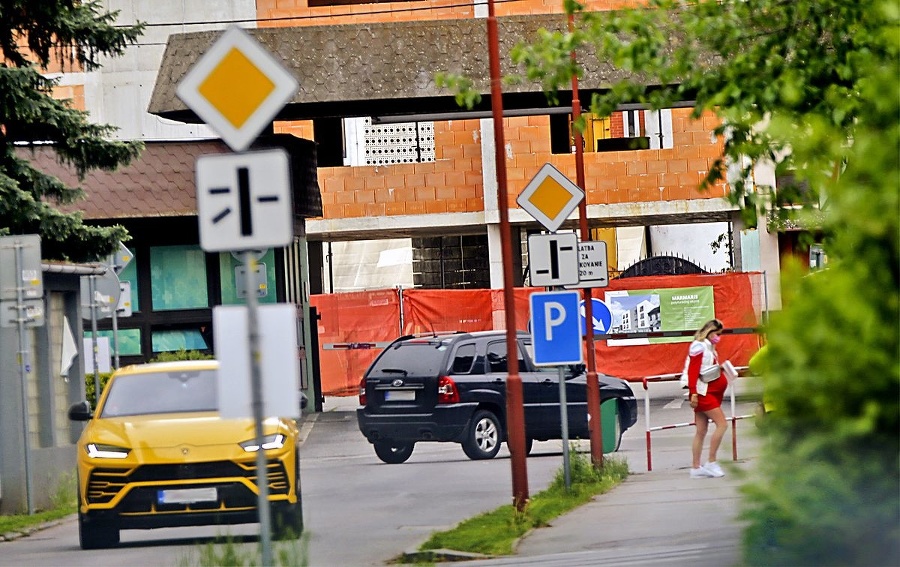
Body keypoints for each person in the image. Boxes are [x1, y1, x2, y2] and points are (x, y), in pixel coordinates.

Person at [686, 318, 729, 478]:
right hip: (704, 393)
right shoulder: (699, 346)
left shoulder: (709, 347)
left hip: (708, 392)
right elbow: (693, 371)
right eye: (717, 334)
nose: (718, 337)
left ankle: (696, 467)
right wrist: (694, 393)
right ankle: (711, 461)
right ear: (709, 332)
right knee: (722, 425)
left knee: (701, 431)